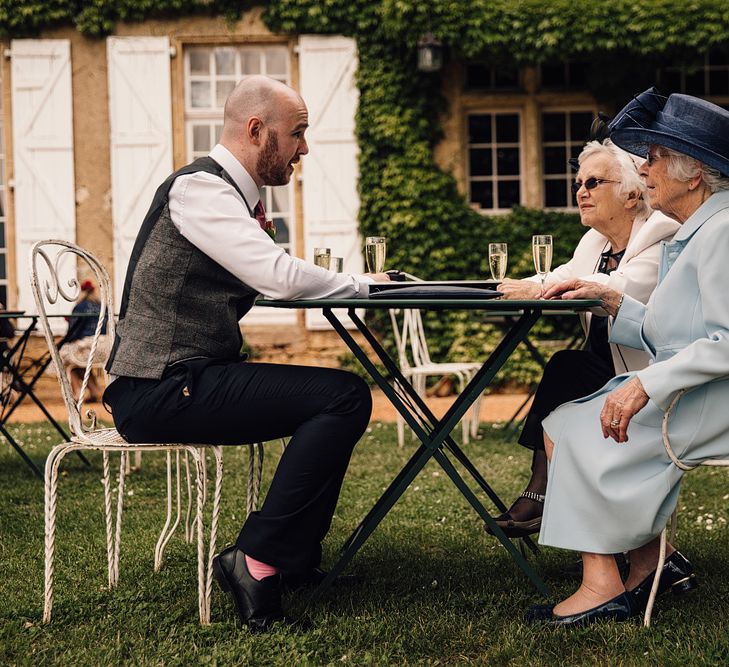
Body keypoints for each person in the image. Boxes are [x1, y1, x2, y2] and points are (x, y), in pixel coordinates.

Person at [102, 75, 390, 630]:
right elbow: (278, 277)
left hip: (189, 376)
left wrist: (354, 281)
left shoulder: (228, 196)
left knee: (338, 396)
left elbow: (264, 275)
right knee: (342, 397)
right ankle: (256, 561)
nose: (304, 149)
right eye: (297, 133)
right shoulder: (200, 190)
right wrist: (365, 285)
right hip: (157, 387)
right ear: (258, 131)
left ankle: (290, 558)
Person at [524, 89, 729, 626]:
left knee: (573, 425)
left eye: (654, 157)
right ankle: (640, 569)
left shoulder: (723, 232)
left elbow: (726, 342)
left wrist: (644, 385)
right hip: (695, 389)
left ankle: (603, 585)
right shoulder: (701, 230)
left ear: (693, 174)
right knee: (563, 420)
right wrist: (620, 304)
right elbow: (676, 331)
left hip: (710, 402)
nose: (643, 169)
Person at [490, 140, 678, 537]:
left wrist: (541, 289)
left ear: (631, 194)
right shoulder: (595, 242)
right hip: (607, 369)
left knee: (566, 367)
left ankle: (541, 492)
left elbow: (620, 287)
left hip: (650, 379)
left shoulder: (662, 236)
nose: (581, 191)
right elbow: (560, 276)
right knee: (567, 367)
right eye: (578, 182)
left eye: (593, 182)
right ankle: (542, 490)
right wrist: (523, 285)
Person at [59, 279, 109, 402]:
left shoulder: (80, 306)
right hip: (104, 347)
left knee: (64, 359)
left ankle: (77, 392)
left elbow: (74, 331)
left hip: (88, 347)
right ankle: (95, 390)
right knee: (77, 364)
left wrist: (62, 342)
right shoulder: (103, 306)